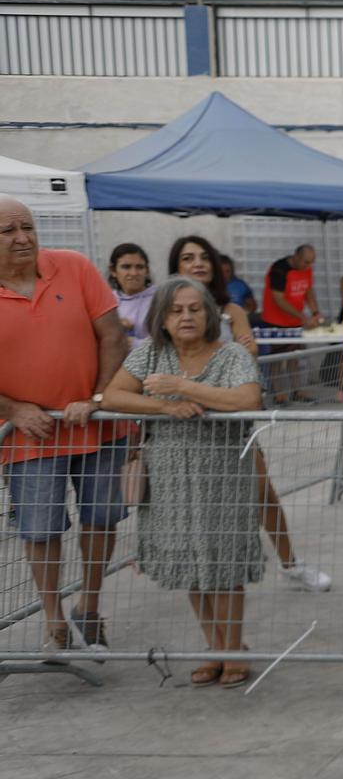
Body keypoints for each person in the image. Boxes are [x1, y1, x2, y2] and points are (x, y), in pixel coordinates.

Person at [101, 277, 264, 686]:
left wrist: (184, 388)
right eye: (177, 310)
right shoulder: (151, 354)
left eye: (195, 308)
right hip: (170, 476)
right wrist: (163, 406)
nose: (187, 316)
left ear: (209, 314)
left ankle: (233, 650)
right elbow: (114, 396)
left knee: (224, 562)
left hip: (222, 474)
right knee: (191, 563)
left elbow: (247, 400)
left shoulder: (230, 355)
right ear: (162, 318)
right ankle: (214, 648)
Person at [0, 195, 129, 656]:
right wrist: (13, 410)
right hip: (28, 435)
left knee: (102, 518)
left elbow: (113, 336)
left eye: (27, 227)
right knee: (40, 529)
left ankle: (89, 607)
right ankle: (54, 618)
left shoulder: (73, 267)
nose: (22, 238)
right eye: (8, 231)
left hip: (96, 425)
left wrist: (95, 397)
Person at [170, 234, 333, 594]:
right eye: (187, 258)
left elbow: (247, 358)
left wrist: (239, 357)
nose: (197, 263)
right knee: (199, 507)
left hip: (231, 420)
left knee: (263, 493)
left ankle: (291, 565)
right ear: (176, 267)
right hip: (184, 422)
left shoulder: (231, 310)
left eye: (203, 257)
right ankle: (204, 575)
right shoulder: (166, 309)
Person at [262, 243, 321, 329]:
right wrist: (303, 317)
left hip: (296, 321)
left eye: (312, 263)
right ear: (296, 257)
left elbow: (308, 291)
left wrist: (315, 312)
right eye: (306, 262)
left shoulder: (306, 269)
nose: (309, 266)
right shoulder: (279, 269)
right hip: (276, 321)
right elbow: (279, 299)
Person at [107, 243, 154, 343]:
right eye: (126, 267)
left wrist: (132, 343)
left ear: (147, 271)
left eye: (140, 267)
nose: (133, 273)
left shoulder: (159, 299)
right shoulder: (107, 301)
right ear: (113, 270)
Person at [219, 254, 254, 318]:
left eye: (227, 271)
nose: (224, 275)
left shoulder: (241, 285)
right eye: (221, 272)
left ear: (232, 271)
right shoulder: (209, 285)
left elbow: (252, 306)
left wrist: (244, 313)